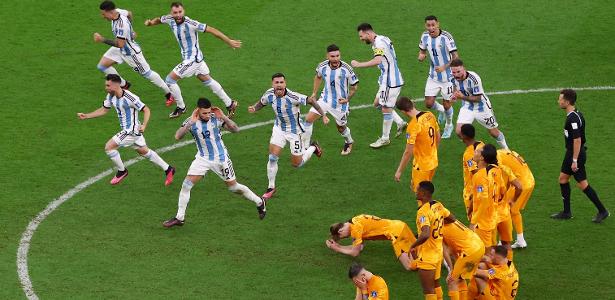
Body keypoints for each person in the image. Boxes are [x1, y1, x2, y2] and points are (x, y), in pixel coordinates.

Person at [162, 98, 266, 228]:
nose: (207, 115)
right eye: (204, 113)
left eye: (208, 112)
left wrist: (224, 117)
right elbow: (177, 136)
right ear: (198, 110)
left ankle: (259, 201)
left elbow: (236, 129)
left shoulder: (215, 118)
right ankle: (180, 218)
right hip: (202, 158)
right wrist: (190, 123)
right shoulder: (191, 120)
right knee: (186, 185)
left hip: (221, 159)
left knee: (233, 188)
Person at [144, 2, 241, 118]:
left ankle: (181, 107)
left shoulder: (191, 23)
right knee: (206, 79)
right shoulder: (169, 19)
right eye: (175, 12)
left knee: (169, 80)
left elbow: (212, 30)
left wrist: (229, 41)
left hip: (193, 60)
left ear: (184, 11)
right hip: (195, 58)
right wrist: (150, 23)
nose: (178, 15)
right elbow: (159, 19)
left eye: (180, 12)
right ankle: (230, 103)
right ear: (171, 13)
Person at [77, 74, 175, 185]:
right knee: (144, 151)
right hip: (129, 130)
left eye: (108, 85)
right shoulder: (110, 96)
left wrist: (144, 125)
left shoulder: (130, 98)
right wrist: (87, 116)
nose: (106, 88)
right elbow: (104, 110)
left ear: (117, 85)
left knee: (109, 148)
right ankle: (168, 169)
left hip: (131, 131)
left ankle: (122, 171)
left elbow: (146, 109)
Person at [248, 73, 328, 200]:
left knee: (297, 164)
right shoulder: (269, 93)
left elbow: (311, 100)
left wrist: (323, 115)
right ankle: (271, 187)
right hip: (279, 129)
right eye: (276, 82)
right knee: (273, 157)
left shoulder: (293, 97)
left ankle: (313, 147)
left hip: (295, 133)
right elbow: (262, 102)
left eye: (281, 82)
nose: (279, 85)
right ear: (272, 84)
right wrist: (254, 108)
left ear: (285, 84)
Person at [94, 1, 174, 105]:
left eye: (104, 14)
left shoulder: (121, 25)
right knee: (102, 66)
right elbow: (129, 13)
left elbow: (120, 44)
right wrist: (131, 31)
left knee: (147, 73)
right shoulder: (118, 12)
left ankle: (169, 93)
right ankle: (123, 84)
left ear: (110, 12)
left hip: (131, 53)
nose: (103, 16)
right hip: (121, 48)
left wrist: (102, 39)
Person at [551, 89, 609, 223]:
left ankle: (602, 210)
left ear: (567, 101)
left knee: (581, 184)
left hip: (574, 154)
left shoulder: (572, 119)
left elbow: (577, 140)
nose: (558, 101)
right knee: (564, 179)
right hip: (573, 153)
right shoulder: (577, 114)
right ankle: (567, 212)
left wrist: (575, 160)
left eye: (560, 99)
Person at [351, 23, 407, 148]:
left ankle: (385, 138)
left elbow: (377, 60)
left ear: (368, 33)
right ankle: (400, 122)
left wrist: (358, 64)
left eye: (361, 36)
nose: (361, 39)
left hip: (390, 82)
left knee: (386, 108)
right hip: (386, 80)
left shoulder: (379, 43)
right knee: (377, 104)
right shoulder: (383, 38)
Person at [305, 44, 359, 155]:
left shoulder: (347, 69)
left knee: (340, 127)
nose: (335, 59)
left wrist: (347, 99)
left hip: (340, 104)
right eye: (332, 56)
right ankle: (306, 145)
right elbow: (318, 77)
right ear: (327, 56)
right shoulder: (322, 66)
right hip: (324, 100)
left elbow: (354, 87)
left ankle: (349, 141)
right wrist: (314, 93)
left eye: (337, 56)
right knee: (308, 119)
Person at [449, 59, 509, 149]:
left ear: (464, 69)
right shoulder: (452, 77)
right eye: (454, 72)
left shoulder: (474, 79)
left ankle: (507, 150)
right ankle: (472, 150)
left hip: (482, 108)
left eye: (458, 71)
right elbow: (455, 88)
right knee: (459, 132)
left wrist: (462, 97)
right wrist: (454, 95)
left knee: (494, 132)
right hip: (467, 107)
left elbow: (478, 98)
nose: (456, 74)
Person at [410, 181, 453, 300]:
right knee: (436, 285)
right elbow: (452, 218)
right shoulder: (438, 205)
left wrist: (412, 246)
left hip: (427, 256)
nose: (415, 191)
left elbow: (425, 234)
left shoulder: (422, 211)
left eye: (417, 190)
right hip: (438, 253)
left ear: (423, 194)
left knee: (429, 291)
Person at [418, 15, 459, 138]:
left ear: (438, 24)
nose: (431, 28)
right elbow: (422, 51)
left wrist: (444, 67)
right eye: (428, 25)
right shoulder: (424, 36)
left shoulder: (446, 37)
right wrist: (421, 55)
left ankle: (448, 125)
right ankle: (441, 111)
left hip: (448, 78)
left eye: (433, 25)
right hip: (433, 76)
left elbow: (456, 57)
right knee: (429, 104)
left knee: (447, 104)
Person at [326, 214, 416, 270]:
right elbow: (359, 247)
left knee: (409, 266)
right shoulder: (354, 221)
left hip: (397, 234)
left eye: (341, 237)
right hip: (400, 225)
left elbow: (355, 252)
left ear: (340, 231)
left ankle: (428, 265)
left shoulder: (355, 229)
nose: (345, 237)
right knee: (419, 252)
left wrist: (337, 249)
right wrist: (339, 246)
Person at [394, 97, 440, 192]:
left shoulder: (413, 126)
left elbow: (408, 152)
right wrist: (433, 152)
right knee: (427, 190)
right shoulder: (429, 115)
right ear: (412, 104)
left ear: (403, 111)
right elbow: (438, 136)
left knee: (421, 196)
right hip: (433, 161)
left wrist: (399, 171)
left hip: (422, 166)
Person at [497, 149, 535, 248]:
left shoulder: (498, 161)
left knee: (506, 209)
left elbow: (506, 181)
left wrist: (503, 196)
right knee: (513, 210)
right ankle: (520, 240)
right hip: (530, 180)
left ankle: (503, 241)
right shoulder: (503, 151)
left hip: (522, 184)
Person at [469, 144, 502, 252]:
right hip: (493, 217)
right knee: (492, 249)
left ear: (482, 158)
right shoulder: (496, 170)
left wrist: (474, 222)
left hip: (482, 222)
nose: (475, 152)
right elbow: (502, 190)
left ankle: (496, 269)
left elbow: (483, 200)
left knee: (484, 254)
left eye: (478, 151)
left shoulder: (480, 176)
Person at [442, 218, 485, 300]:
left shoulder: (438, 228)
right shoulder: (452, 221)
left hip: (470, 252)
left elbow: (445, 252)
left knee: (451, 281)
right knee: (461, 278)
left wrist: (451, 269)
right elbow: (454, 249)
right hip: (479, 248)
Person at [460, 124, 484, 219]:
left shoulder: (469, 154)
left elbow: (476, 173)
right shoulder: (481, 144)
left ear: (464, 136)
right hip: (486, 186)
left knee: (474, 219)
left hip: (472, 190)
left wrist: (476, 193)